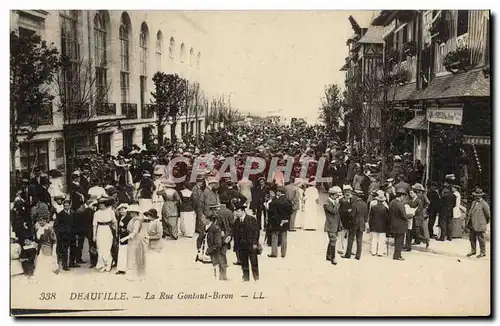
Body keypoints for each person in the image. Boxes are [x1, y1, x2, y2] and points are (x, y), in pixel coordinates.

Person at [232, 200, 260, 282]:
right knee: (244, 263)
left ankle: (256, 278)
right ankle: (246, 278)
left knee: (254, 262)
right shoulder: (236, 221)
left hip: (251, 245)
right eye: (235, 211)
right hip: (241, 246)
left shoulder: (251, 219)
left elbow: (256, 232)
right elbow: (235, 233)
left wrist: (255, 243)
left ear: (243, 211)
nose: (236, 213)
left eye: (238, 211)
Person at [120, 204, 146, 281]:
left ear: (135, 212)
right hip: (132, 240)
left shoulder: (137, 221)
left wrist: (125, 238)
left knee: (135, 256)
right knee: (131, 256)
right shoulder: (132, 219)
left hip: (136, 239)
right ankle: (132, 275)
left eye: (131, 212)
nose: (130, 213)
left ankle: (137, 275)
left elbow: (135, 232)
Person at [93, 197, 117, 272]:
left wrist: (116, 231)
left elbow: (115, 222)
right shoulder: (96, 213)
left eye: (102, 204)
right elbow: (94, 225)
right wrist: (94, 235)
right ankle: (102, 265)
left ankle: (108, 264)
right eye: (100, 204)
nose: (101, 206)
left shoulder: (110, 212)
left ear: (106, 205)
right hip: (100, 230)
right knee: (100, 248)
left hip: (108, 229)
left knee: (107, 247)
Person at [342, 190, 368, 260]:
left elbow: (352, 215)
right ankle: (358, 255)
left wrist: (351, 222)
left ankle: (348, 254)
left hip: (354, 224)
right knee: (359, 240)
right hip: (361, 224)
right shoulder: (365, 204)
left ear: (357, 196)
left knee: (350, 239)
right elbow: (366, 216)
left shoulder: (354, 204)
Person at [267, 186, 292, 258]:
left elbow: (273, 212)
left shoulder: (275, 201)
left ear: (279, 192)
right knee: (284, 237)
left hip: (276, 221)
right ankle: (283, 253)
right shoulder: (288, 201)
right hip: (285, 221)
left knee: (275, 236)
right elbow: (290, 211)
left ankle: (274, 253)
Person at [466, 189, 490, 258]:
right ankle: (473, 250)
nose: (477, 197)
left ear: (481, 196)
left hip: (480, 224)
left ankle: (483, 252)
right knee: (472, 238)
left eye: (479, 196)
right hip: (472, 223)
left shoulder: (484, 204)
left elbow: (488, 215)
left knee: (481, 239)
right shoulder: (473, 202)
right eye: (476, 196)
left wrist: (484, 222)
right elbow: (470, 212)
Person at [54, 199, 76, 271]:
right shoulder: (60, 214)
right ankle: (65, 265)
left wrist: (76, 233)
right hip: (64, 235)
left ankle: (72, 263)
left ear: (70, 206)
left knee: (73, 249)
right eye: (65, 206)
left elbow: (75, 224)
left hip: (72, 234)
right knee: (64, 251)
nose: (66, 207)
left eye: (67, 205)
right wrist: (60, 233)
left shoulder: (73, 213)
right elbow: (57, 225)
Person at [204, 206, 225, 280]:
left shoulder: (219, 221)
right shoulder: (205, 225)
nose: (214, 212)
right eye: (213, 210)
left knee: (219, 261)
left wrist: (209, 251)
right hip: (208, 248)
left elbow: (217, 244)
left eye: (215, 210)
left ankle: (221, 276)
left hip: (216, 247)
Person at [389, 188, 410, 261]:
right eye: (403, 196)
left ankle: (396, 254)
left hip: (393, 224)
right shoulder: (400, 204)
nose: (403, 197)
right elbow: (404, 215)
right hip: (400, 225)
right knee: (399, 241)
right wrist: (410, 215)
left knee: (396, 240)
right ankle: (397, 255)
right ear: (401, 196)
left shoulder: (392, 202)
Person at [323, 186, 343, 265]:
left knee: (332, 241)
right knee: (333, 241)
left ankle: (328, 255)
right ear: (331, 195)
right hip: (330, 225)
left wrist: (340, 224)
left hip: (336, 224)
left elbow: (338, 215)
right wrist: (337, 204)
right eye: (336, 195)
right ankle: (333, 258)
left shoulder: (333, 202)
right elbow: (334, 211)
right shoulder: (327, 203)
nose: (337, 197)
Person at [368, 190, 390, 257]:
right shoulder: (385, 208)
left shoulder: (373, 207)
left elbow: (370, 217)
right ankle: (380, 252)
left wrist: (370, 226)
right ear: (383, 201)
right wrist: (387, 227)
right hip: (382, 227)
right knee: (381, 240)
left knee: (374, 239)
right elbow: (387, 219)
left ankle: (373, 251)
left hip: (374, 226)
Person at [116, 203, 131, 275]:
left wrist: (124, 229)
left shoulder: (128, 218)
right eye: (120, 210)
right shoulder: (119, 218)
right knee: (121, 252)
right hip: (120, 236)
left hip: (125, 237)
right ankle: (120, 268)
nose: (121, 211)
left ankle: (125, 268)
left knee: (125, 252)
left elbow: (129, 228)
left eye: (123, 210)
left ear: (126, 210)